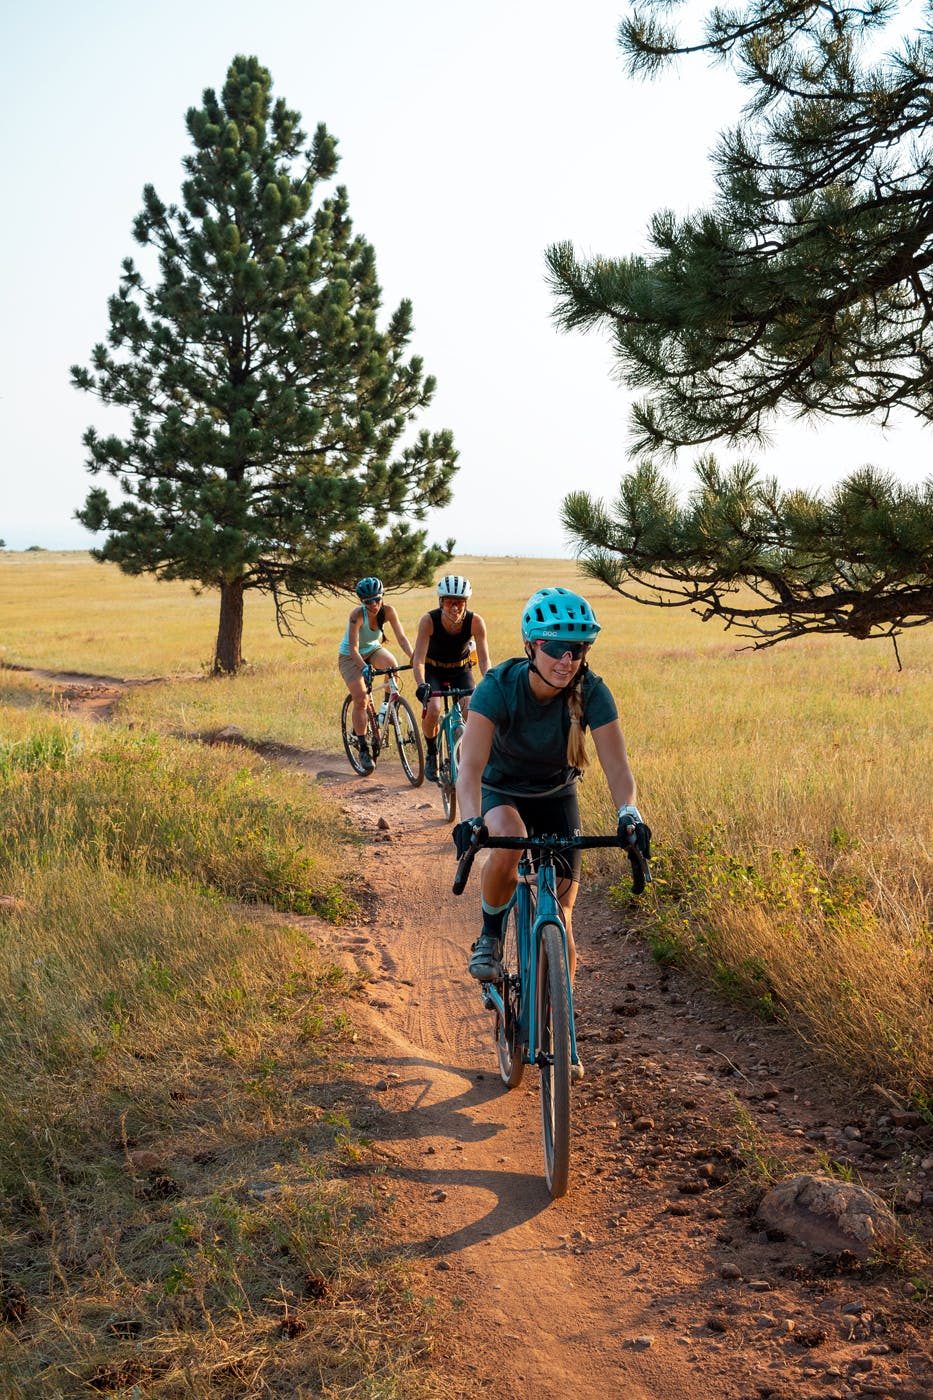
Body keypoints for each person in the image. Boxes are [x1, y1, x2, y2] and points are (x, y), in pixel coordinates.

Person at [452, 585, 651, 1011]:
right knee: (511, 836)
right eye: (557, 648)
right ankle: (489, 936)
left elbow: (618, 767)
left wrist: (628, 812)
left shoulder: (591, 690)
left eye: (578, 650)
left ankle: (557, 1038)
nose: (567, 661)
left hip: (558, 795)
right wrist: (470, 821)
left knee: (563, 922)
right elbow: (469, 768)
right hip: (502, 789)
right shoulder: (498, 686)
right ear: (531, 646)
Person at [412, 574, 492, 782]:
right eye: (449, 602)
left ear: (466, 603)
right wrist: (422, 684)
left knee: (471, 710)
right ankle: (432, 753)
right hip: (434, 670)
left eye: (459, 602)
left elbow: (484, 661)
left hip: (460, 670)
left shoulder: (475, 622)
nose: (454, 608)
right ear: (441, 603)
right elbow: (418, 660)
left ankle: (470, 760)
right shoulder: (428, 621)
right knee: (434, 709)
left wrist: (490, 681)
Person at [338, 577, 414, 775]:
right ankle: (363, 747)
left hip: (373, 649)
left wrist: (414, 657)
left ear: (382, 597)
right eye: (367, 601)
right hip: (350, 656)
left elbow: (401, 638)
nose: (373, 605)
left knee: (393, 666)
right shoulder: (357, 615)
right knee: (361, 698)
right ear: (362, 602)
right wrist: (364, 668)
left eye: (376, 600)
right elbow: (353, 648)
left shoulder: (389, 611)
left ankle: (387, 707)